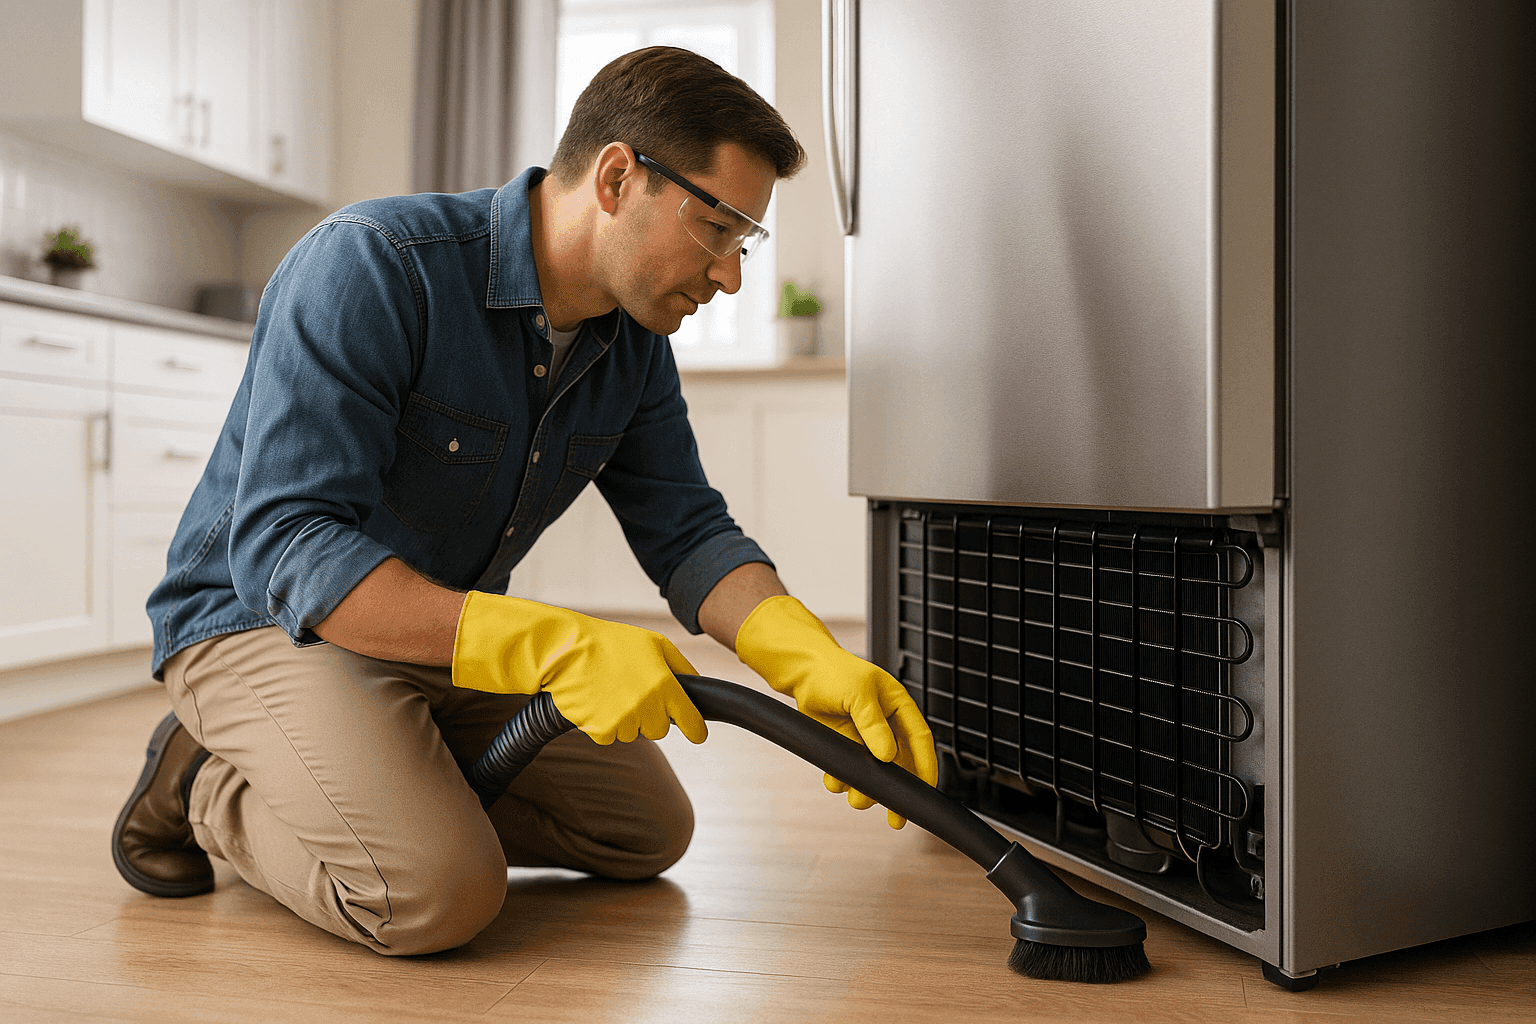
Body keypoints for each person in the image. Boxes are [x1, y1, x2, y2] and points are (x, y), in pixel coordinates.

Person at [111, 46, 936, 957]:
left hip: (432, 638)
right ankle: (207, 785)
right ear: (620, 176)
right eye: (718, 227)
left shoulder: (632, 348)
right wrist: (557, 643)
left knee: (643, 833)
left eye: (746, 242)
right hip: (256, 626)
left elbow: (688, 530)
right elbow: (286, 546)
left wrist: (805, 655)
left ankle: (374, 775)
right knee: (434, 895)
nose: (731, 274)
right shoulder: (377, 266)